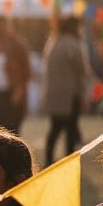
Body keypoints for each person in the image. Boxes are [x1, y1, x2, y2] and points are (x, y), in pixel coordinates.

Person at [42, 16, 88, 165]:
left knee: (55, 129)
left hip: (55, 94)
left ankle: (49, 159)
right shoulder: (74, 45)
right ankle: (69, 160)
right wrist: (83, 93)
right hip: (70, 95)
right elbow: (81, 72)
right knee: (70, 130)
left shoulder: (54, 43)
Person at [0, 16, 31, 134]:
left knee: (10, 127)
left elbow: (26, 70)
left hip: (8, 92)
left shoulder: (17, 45)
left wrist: (19, 89)